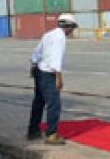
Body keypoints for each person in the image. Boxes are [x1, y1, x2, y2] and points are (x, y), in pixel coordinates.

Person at [27, 14, 78, 145]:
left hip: (39, 70)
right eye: (72, 28)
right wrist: (59, 78)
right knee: (54, 104)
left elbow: (37, 52)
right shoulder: (60, 38)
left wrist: (33, 64)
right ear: (68, 27)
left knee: (38, 102)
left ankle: (33, 131)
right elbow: (56, 58)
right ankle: (51, 134)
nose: (72, 32)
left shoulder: (48, 34)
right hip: (48, 73)